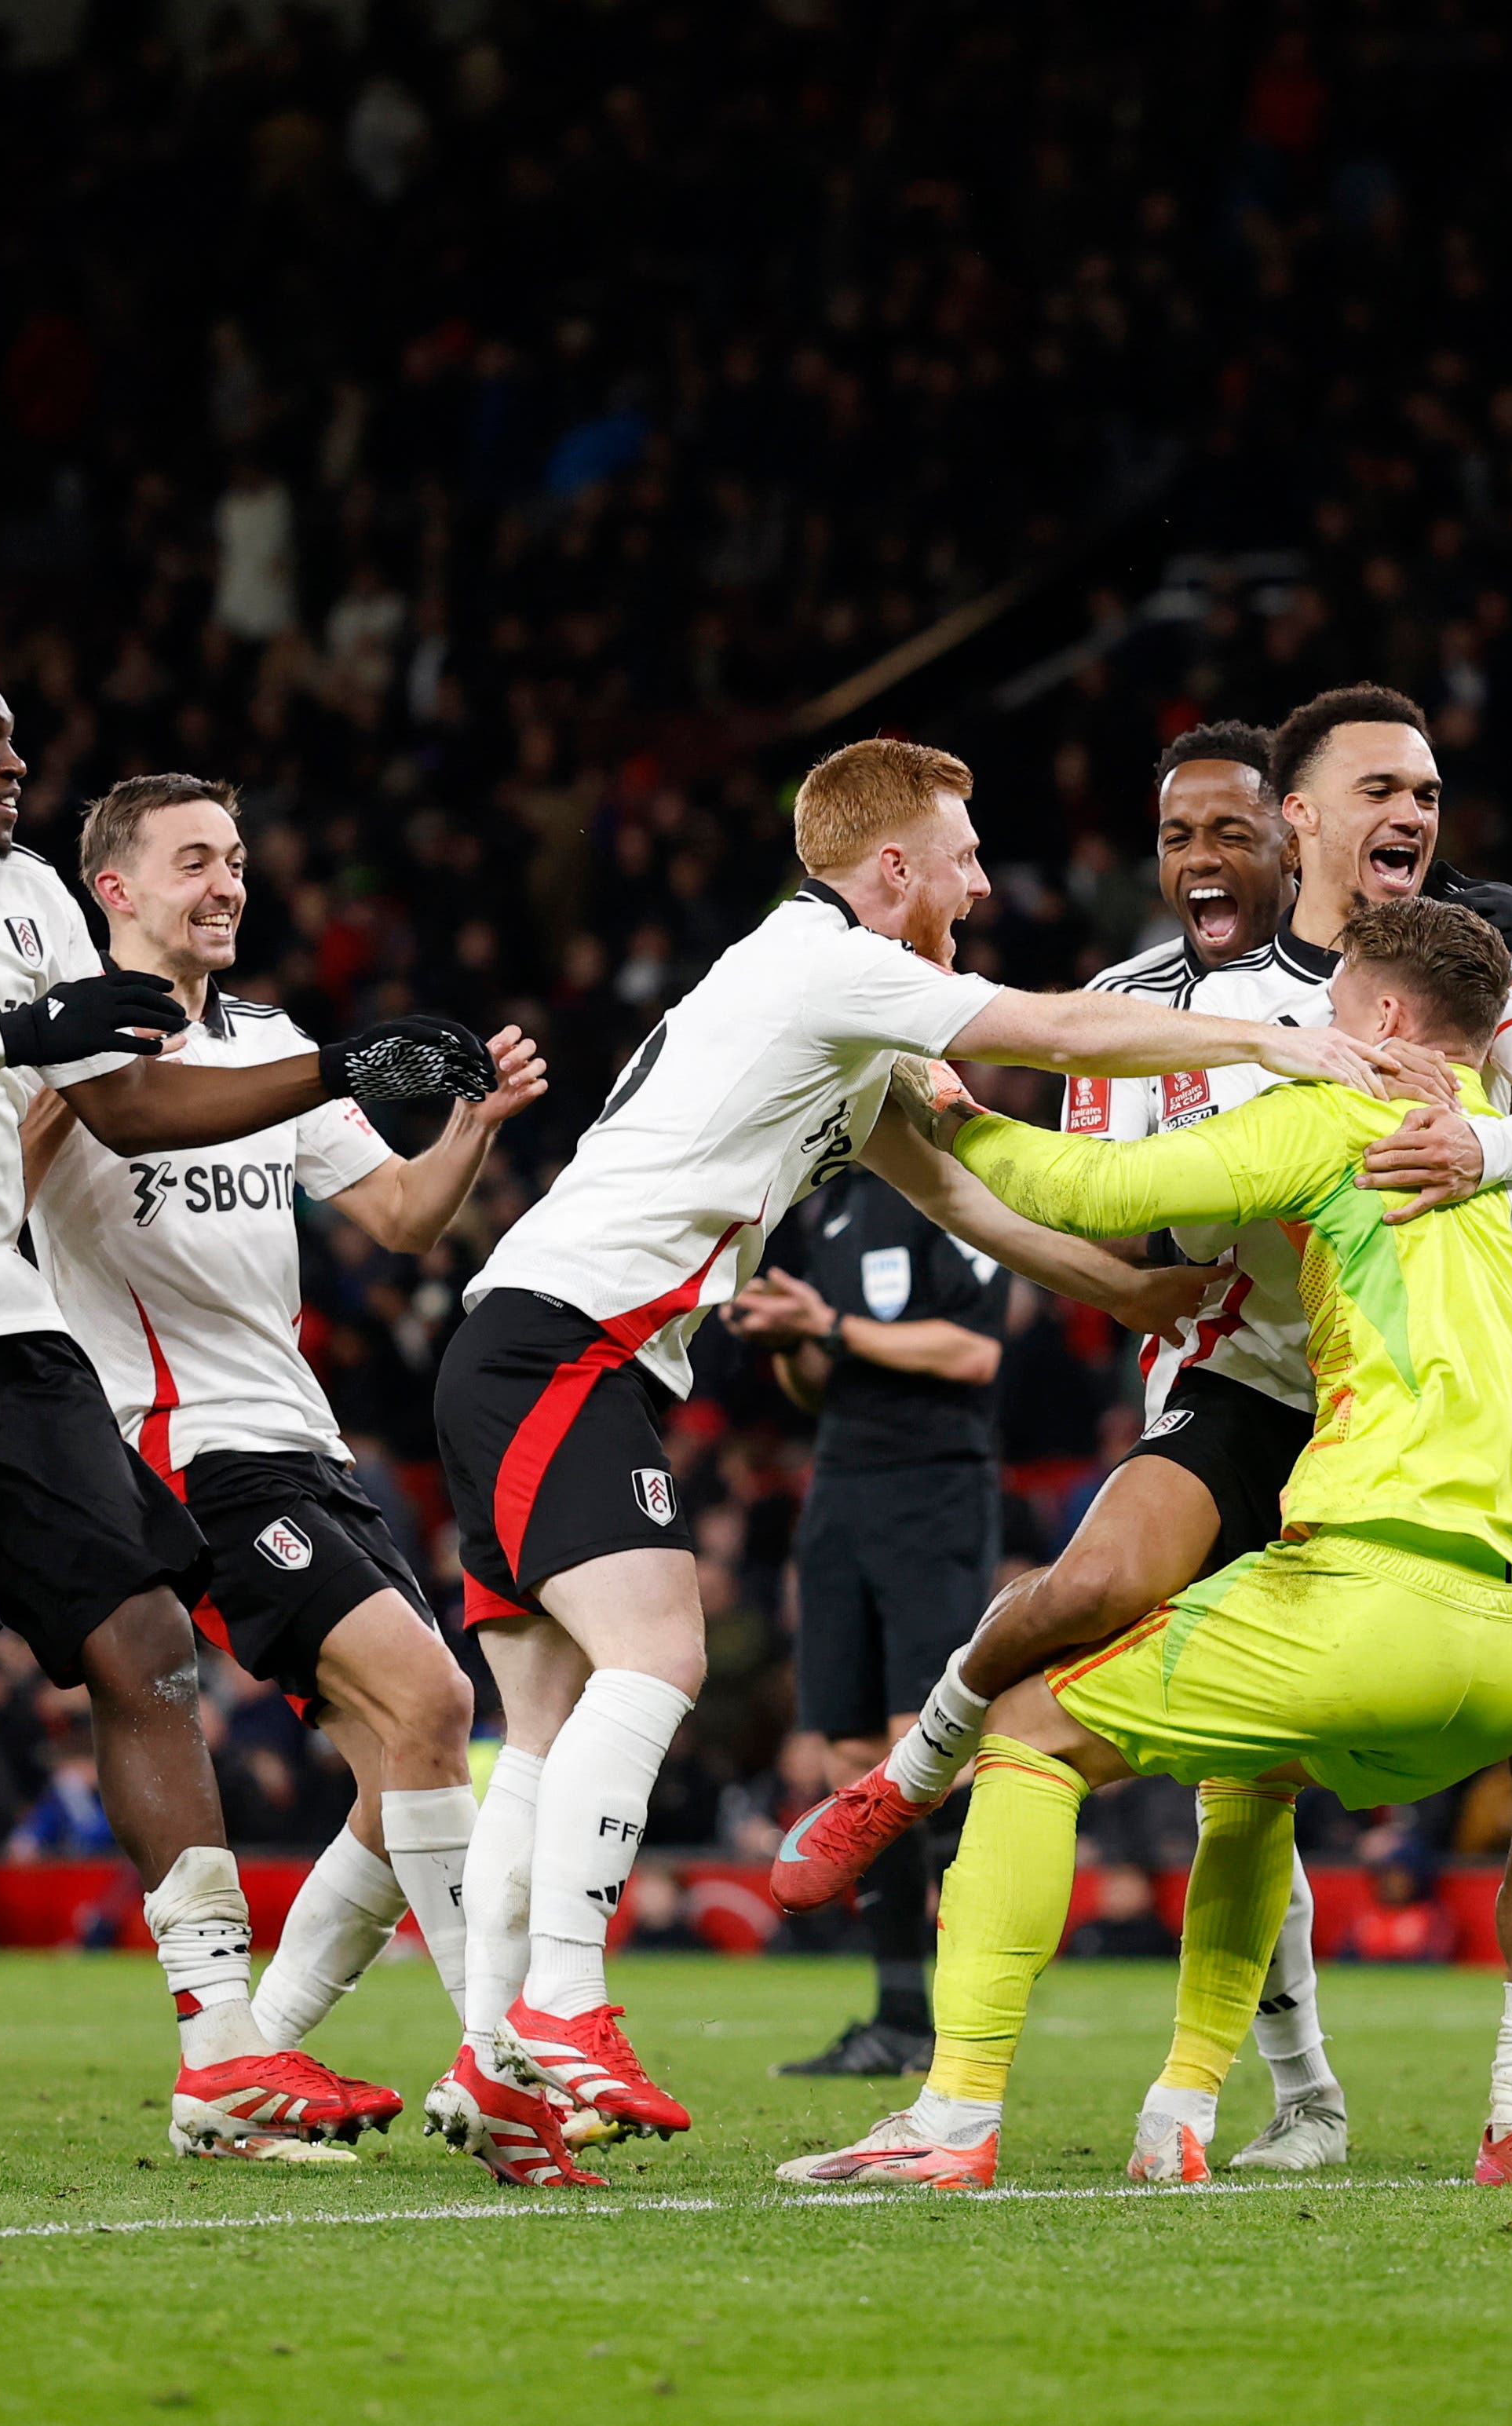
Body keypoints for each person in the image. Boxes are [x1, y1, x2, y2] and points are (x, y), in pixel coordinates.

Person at [779, 694, 1512, 2179]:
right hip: (1248, 1376)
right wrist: (1136, 1261)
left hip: (1418, 1412)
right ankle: (921, 1777)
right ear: (1297, 822)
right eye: (1379, 789)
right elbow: (1102, 1216)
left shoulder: (1466, 961)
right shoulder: (1161, 997)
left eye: (1430, 792)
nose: (1416, 818)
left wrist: (1473, 1145)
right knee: (1097, 1591)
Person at [424, 733, 1375, 2187]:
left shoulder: (829, 1012)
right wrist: (1263, 1039)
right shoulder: (833, 967)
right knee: (662, 1656)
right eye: (963, 855)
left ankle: (496, 2069)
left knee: (546, 1728)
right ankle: (562, 2010)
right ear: (891, 871)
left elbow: (959, 1191)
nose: (983, 881)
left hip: (538, 1343)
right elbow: (1051, 1034)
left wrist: (1122, 1295)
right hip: (567, 1344)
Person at [0, 619, 499, 2176]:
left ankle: (226, 2055)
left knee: (146, 1653)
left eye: (13, 740)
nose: (14, 766)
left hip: (4, 1315)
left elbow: (126, 1103)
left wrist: (335, 1071)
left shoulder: (30, 894)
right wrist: (6, 1037)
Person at [24, 773, 549, 2127]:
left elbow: (398, 1217)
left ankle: (248, 2067)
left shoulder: (268, 1034)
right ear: (116, 890)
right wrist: (46, 1072)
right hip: (183, 1447)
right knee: (431, 1705)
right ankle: (503, 2056)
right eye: (196, 859)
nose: (229, 884)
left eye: (240, 860)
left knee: (403, 1761)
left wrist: (469, 1133)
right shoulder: (73, 1041)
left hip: (303, 1440)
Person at [727, 1147, 1009, 2079]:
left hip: (934, 1491)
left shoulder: (958, 1192)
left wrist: (830, 1324)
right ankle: (898, 2018)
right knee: (849, 1758)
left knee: (918, 1752)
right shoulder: (833, 1206)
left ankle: (974, 2007)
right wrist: (790, 1346)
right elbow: (822, 1382)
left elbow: (974, 1352)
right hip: (840, 1488)